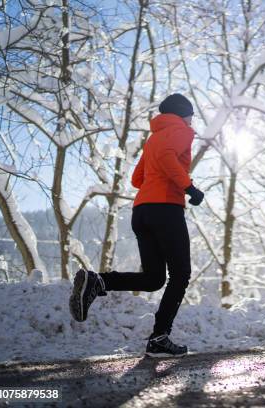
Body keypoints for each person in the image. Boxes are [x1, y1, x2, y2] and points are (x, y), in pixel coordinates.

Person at [69, 93, 204, 358]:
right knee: (181, 274)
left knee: (154, 279)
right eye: (191, 114)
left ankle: (98, 281)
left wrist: (162, 184)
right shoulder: (182, 131)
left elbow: (137, 178)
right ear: (182, 113)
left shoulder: (154, 137)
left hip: (142, 211)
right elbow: (166, 159)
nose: (192, 119)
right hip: (166, 210)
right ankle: (159, 338)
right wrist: (188, 187)